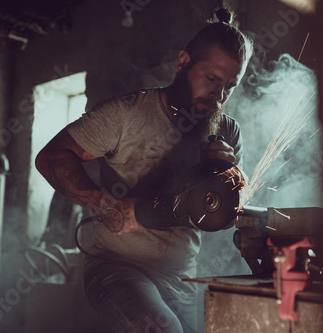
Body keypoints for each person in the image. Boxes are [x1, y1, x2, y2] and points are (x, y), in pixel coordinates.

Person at [36, 7, 253, 333]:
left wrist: (220, 174)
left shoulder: (226, 131)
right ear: (183, 63)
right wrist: (99, 203)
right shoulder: (124, 114)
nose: (219, 96)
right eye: (211, 79)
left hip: (181, 275)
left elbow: (223, 216)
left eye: (230, 86)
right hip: (118, 267)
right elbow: (51, 157)